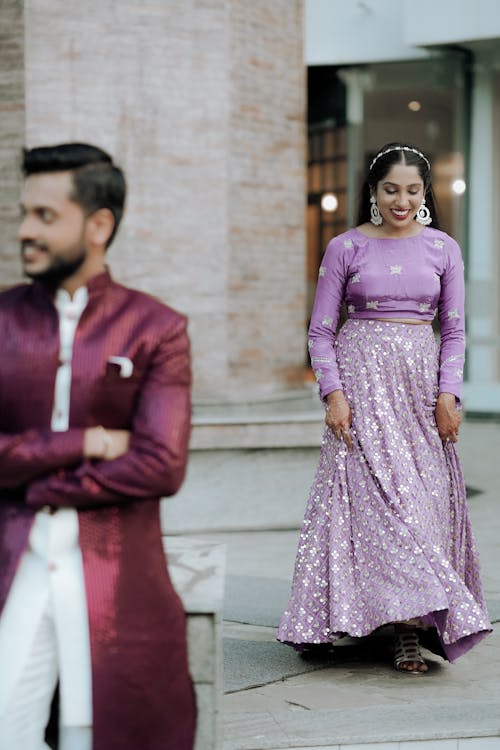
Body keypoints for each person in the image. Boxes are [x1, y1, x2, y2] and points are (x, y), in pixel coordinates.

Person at [0, 143, 196, 749]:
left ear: (99, 224)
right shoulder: (2, 320)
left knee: (103, 732)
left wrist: (42, 484)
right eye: (25, 212)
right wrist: (84, 440)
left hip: (116, 578)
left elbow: (161, 464)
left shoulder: (156, 328)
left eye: (46, 216)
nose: (26, 230)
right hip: (14, 567)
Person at [278, 142, 492, 674]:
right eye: (390, 189)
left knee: (420, 508)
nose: (401, 200)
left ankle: (412, 622)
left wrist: (449, 394)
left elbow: (455, 329)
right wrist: (334, 394)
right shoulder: (345, 247)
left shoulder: (443, 248)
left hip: (420, 393)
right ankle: (390, 630)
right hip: (361, 389)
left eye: (413, 190)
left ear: (425, 193)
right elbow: (321, 331)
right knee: (370, 507)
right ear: (373, 192)